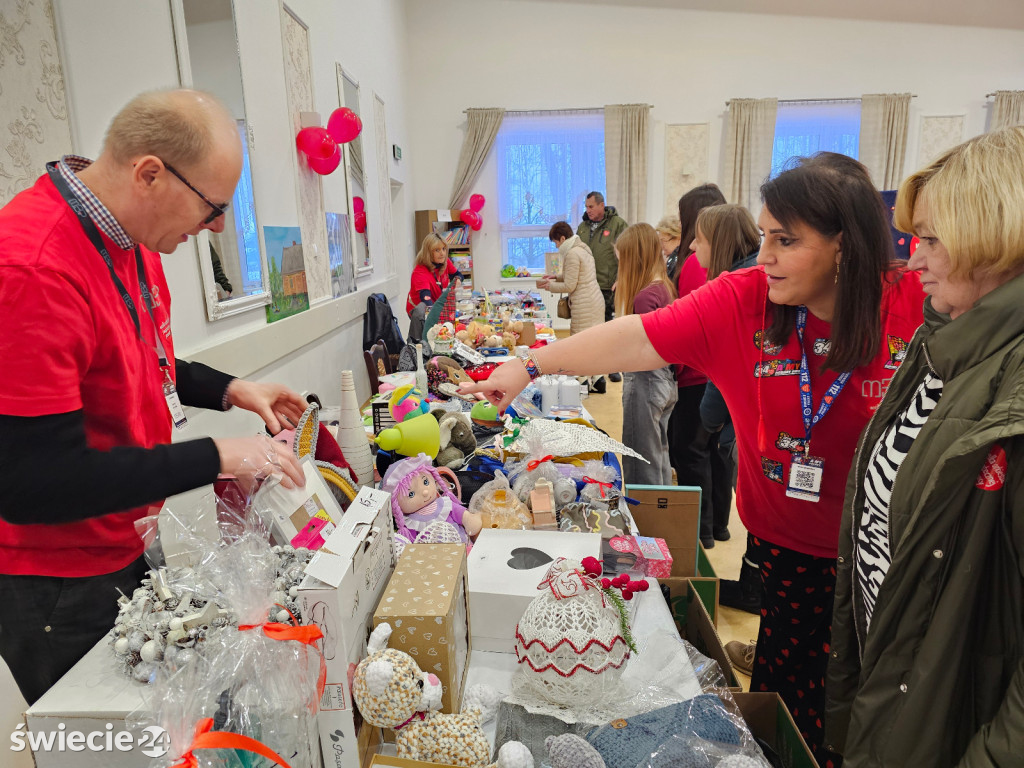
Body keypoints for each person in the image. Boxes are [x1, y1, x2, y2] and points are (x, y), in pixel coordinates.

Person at [463, 153, 926, 763]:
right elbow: (640, 336)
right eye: (764, 236)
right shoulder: (746, 298)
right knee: (794, 711)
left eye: (786, 241)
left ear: (845, 245)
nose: (764, 256)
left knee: (882, 714)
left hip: (890, 556)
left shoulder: (916, 300)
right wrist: (529, 365)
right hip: (787, 553)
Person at [0, 89, 307, 706]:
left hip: (126, 532)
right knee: (108, 736)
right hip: (57, 574)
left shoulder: (132, 237)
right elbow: (36, 482)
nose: (217, 227)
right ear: (149, 174)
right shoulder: (34, 269)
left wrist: (230, 389)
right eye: (213, 207)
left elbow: (137, 358)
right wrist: (218, 456)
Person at [826, 127, 1024, 767]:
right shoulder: (941, 339)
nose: (914, 262)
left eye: (932, 241)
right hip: (897, 699)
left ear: (996, 239)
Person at [690, 204, 763, 618]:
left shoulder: (735, 288)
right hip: (759, 421)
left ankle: (755, 589)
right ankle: (754, 583)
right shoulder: (751, 277)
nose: (692, 247)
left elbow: (725, 367)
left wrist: (709, 420)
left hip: (752, 424)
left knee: (758, 507)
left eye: (698, 239)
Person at [668, 183, 727, 548]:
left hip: (695, 374)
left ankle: (701, 529)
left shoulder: (693, 263)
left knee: (690, 451)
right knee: (716, 452)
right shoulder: (725, 260)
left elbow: (689, 321)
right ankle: (718, 524)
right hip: (718, 372)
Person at [613, 223, 678, 485]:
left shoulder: (644, 297)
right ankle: (660, 507)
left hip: (646, 382)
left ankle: (645, 512)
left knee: (641, 463)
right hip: (665, 382)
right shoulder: (663, 287)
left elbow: (641, 348)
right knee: (658, 457)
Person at [536, 222, 604, 337]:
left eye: (556, 243)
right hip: (593, 301)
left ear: (563, 239)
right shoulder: (582, 249)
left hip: (585, 305)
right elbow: (578, 274)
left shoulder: (572, 254)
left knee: (581, 340)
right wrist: (556, 277)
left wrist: (549, 286)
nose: (556, 246)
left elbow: (569, 286)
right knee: (593, 338)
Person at [576, 191, 627, 324]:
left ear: (602, 205)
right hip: (586, 286)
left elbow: (628, 254)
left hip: (607, 287)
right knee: (587, 323)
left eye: (591, 207)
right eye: (586, 207)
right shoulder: (582, 227)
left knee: (606, 324)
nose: (588, 210)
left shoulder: (618, 224)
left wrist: (621, 278)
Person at [407, 232, 461, 342]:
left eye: (444, 249)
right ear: (428, 253)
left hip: (436, 305)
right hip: (421, 312)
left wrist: (458, 280)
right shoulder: (420, 272)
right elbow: (426, 300)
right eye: (437, 250)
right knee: (429, 340)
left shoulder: (444, 262)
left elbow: (458, 274)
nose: (442, 253)